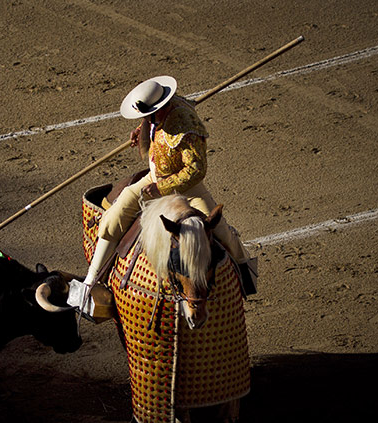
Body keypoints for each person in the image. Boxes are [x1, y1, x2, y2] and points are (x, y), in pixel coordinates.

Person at [75, 76, 257, 307]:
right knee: (114, 215)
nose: (147, 119)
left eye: (149, 116)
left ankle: (246, 276)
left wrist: (162, 187)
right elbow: (152, 129)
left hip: (187, 188)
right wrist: (141, 131)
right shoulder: (155, 116)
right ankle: (90, 282)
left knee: (221, 230)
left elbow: (196, 169)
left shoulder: (186, 127)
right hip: (153, 177)